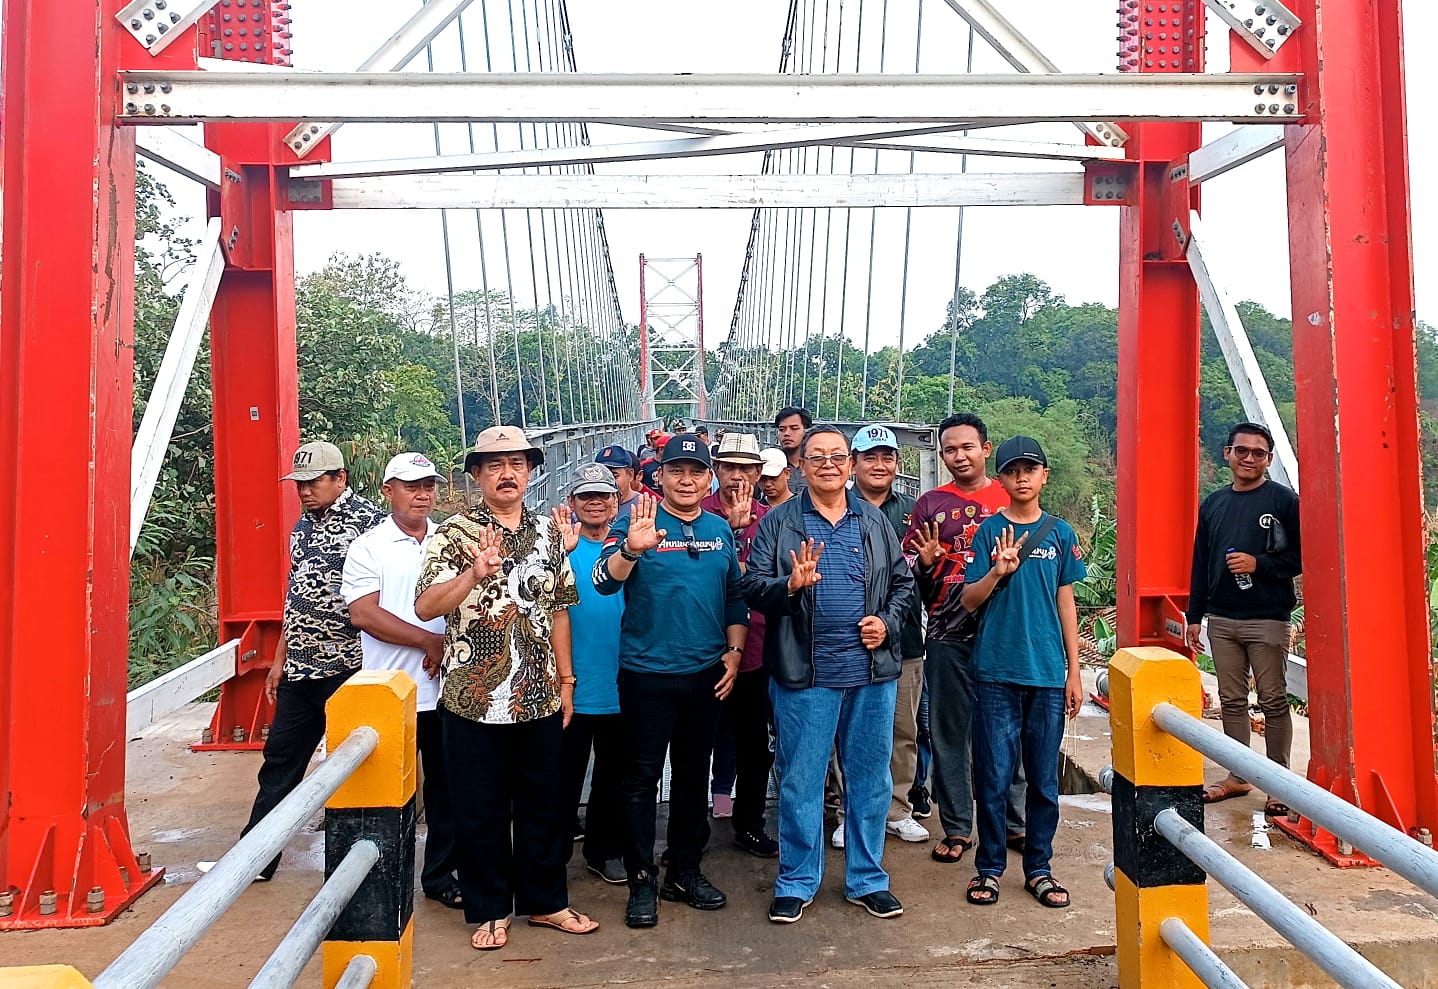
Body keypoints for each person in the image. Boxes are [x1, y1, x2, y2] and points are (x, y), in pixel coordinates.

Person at [414, 425, 597, 951]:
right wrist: (472, 575)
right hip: (473, 698)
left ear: (532, 471)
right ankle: (490, 909)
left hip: (538, 694)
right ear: (476, 475)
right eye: (494, 465)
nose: (507, 473)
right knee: (480, 808)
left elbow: (560, 609)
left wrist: (566, 680)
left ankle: (546, 903)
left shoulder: (546, 533)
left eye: (516, 463)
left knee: (545, 804)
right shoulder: (450, 536)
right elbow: (426, 608)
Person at [746, 425, 916, 925]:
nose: (827, 465)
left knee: (870, 779)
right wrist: (790, 586)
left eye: (837, 457)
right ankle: (796, 881)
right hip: (805, 675)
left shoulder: (875, 521)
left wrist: (885, 623)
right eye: (816, 457)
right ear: (800, 466)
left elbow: (904, 584)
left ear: (850, 464)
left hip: (871, 674)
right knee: (801, 779)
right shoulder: (778, 524)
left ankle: (868, 878)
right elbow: (753, 588)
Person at [594, 434, 749, 929]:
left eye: (696, 471)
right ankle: (642, 879)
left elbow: (733, 596)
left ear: (709, 479)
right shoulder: (635, 521)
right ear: (658, 476)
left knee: (691, 778)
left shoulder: (721, 530)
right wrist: (632, 552)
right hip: (645, 673)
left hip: (705, 674)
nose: (687, 479)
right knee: (639, 780)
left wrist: (734, 652)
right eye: (676, 470)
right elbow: (604, 579)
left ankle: (685, 870)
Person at [240, 441, 384, 881]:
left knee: (357, 768)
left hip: (351, 664)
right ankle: (255, 859)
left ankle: (359, 865)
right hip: (301, 668)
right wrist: (280, 658)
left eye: (313, 481)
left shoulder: (372, 524)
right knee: (280, 760)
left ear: (341, 478)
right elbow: (295, 598)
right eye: (298, 483)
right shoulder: (302, 527)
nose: (303, 491)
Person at [959, 435, 1085, 910]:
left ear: (1044, 476)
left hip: (1048, 676)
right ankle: (989, 869)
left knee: (1043, 780)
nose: (1022, 477)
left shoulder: (1060, 534)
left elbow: (1066, 602)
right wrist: (997, 572)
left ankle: (1039, 868)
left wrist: (1075, 672)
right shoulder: (989, 532)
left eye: (1031, 469)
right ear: (1003, 478)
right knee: (992, 776)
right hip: (995, 671)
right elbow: (969, 601)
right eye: (1012, 470)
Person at [904, 412, 1025, 865]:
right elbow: (906, 572)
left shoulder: (1009, 497)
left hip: (1005, 628)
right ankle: (957, 825)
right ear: (942, 454)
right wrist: (926, 562)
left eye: (967, 447)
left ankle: (1013, 822)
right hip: (946, 628)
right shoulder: (929, 505)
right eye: (950, 449)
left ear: (986, 450)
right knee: (949, 729)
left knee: (1007, 729)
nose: (959, 456)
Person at [340, 452, 459, 907]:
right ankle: (380, 877)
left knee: (447, 790)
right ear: (388, 491)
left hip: (447, 689)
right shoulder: (368, 547)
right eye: (410, 486)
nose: (422, 494)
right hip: (391, 689)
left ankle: (441, 875)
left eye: (428, 485)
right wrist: (428, 643)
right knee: (389, 794)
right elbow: (364, 614)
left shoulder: (450, 539)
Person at [1185, 422, 1302, 814]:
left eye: (1258, 453)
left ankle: (1277, 782)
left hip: (1267, 616)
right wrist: (1193, 615)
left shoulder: (1285, 502)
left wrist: (1259, 564)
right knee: (1232, 699)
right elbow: (1200, 562)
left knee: (1272, 699)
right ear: (1227, 454)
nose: (1249, 458)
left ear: (1268, 459)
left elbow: (1299, 559)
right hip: (1222, 616)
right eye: (1242, 451)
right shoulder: (1214, 503)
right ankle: (1238, 775)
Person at [849, 425, 929, 845]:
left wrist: (930, 563)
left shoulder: (916, 511)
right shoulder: (836, 506)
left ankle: (897, 808)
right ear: (853, 463)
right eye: (870, 457)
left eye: (887, 457)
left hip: (904, 636)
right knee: (851, 730)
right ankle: (854, 811)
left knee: (903, 728)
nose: (880, 465)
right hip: (848, 637)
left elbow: (929, 577)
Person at [701, 432, 780, 859]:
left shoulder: (773, 520)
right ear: (716, 471)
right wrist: (731, 534)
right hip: (702, 652)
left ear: (758, 472)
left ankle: (749, 825)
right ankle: (690, 833)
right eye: (728, 467)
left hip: (757, 651)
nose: (737, 476)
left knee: (755, 746)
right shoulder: (697, 516)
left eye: (746, 468)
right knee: (695, 743)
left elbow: (775, 582)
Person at [550, 463, 629, 885]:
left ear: (617, 503)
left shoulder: (632, 547)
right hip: (571, 681)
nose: (595, 503)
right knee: (563, 775)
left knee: (613, 776)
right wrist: (556, 555)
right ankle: (554, 855)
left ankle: (604, 850)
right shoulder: (556, 548)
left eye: (603, 496)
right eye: (585, 497)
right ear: (572, 503)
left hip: (621, 677)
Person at [773, 406, 813, 495]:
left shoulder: (816, 463)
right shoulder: (770, 464)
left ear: (807, 431)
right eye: (782, 430)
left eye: (794, 428)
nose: (786, 433)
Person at [597, 444, 642, 510]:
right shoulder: (589, 509)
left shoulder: (645, 507)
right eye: (601, 476)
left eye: (614, 476)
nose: (607, 482)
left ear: (630, 475)